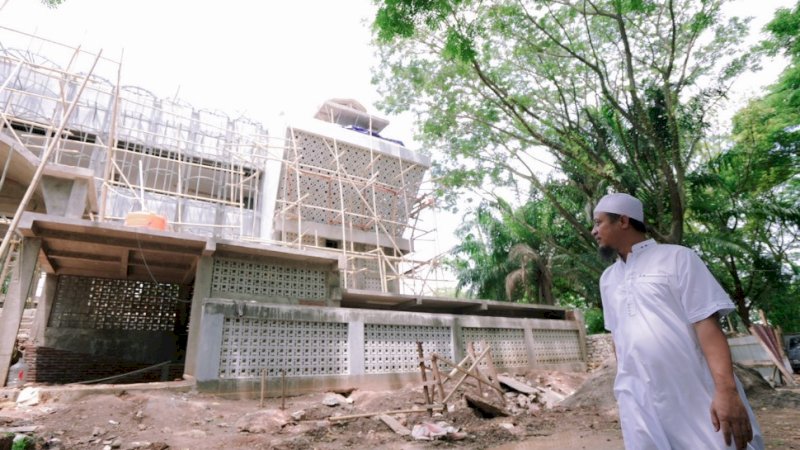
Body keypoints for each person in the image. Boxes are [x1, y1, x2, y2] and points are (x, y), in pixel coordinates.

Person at [592, 192, 763, 450]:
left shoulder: (678, 258)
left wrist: (726, 391)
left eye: (598, 222)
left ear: (623, 221)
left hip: (692, 392)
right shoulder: (608, 279)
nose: (594, 231)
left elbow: (707, 325)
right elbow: (618, 337)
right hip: (638, 401)